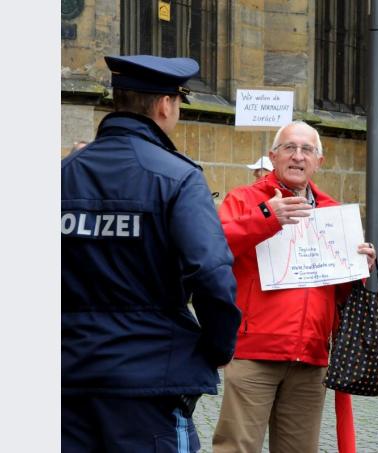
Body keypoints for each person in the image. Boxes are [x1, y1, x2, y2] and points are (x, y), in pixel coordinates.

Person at [61, 55, 242, 452]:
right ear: (164, 105)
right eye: (178, 101)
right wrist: (217, 348)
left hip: (68, 377)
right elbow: (211, 274)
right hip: (150, 382)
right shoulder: (178, 177)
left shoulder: (63, 174)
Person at [212, 120, 377, 453]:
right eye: (289, 147)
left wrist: (359, 268)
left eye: (307, 150)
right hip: (254, 352)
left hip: (311, 356)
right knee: (236, 448)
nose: (298, 156)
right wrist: (265, 216)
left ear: (319, 161)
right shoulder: (244, 199)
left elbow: (337, 295)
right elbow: (213, 249)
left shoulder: (332, 211)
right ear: (273, 156)